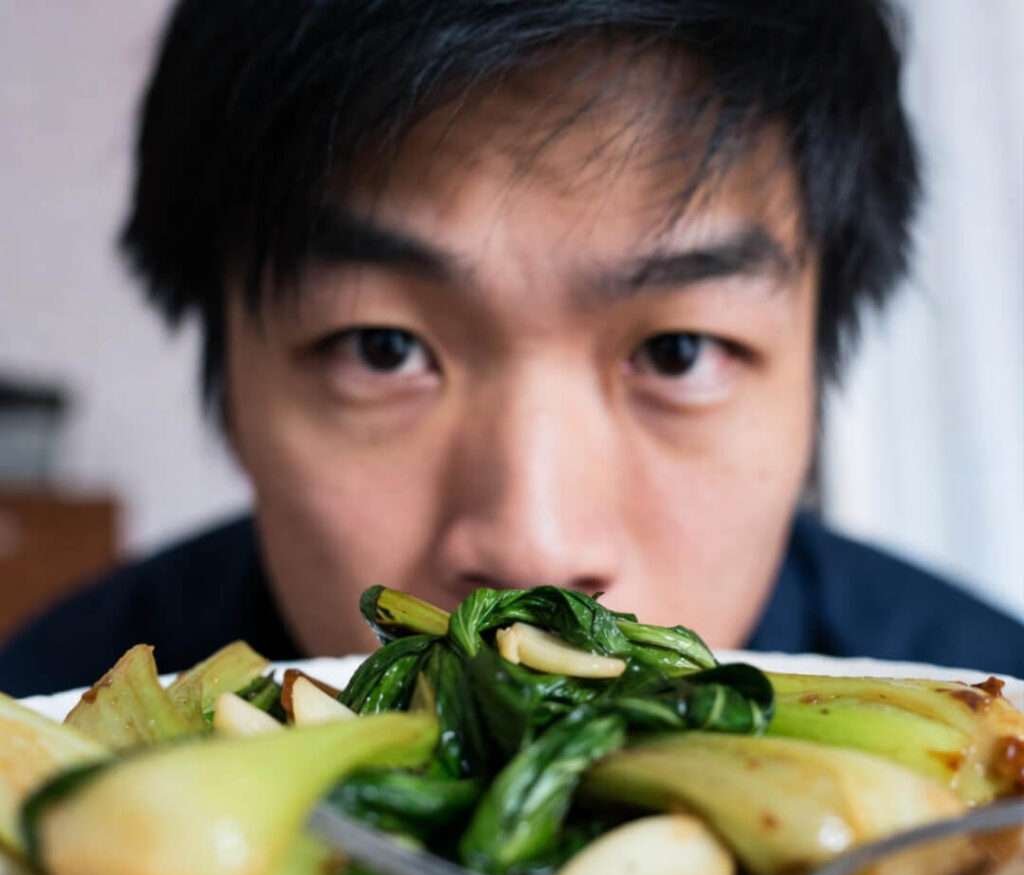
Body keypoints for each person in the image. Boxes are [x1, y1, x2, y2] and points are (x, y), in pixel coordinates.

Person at [2, 0, 1022, 698]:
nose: (533, 550)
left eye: (676, 353)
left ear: (815, 378)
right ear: (230, 387)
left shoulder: (986, 744)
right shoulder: (49, 729)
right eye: (382, 347)